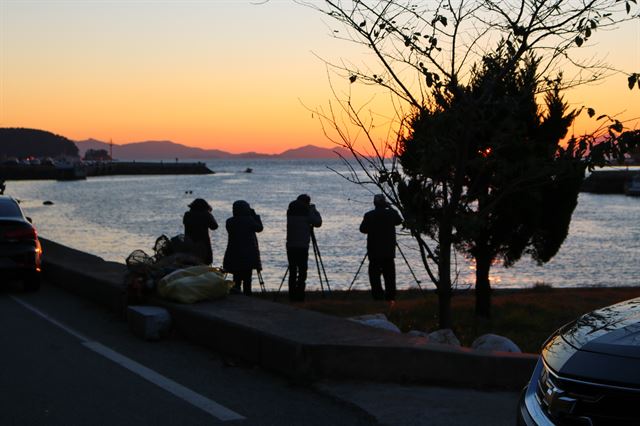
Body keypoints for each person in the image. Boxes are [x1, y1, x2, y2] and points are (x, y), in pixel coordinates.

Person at [359, 194, 403, 301]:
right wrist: (391, 207)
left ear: (374, 203)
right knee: (390, 276)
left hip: (374, 251)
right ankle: (390, 296)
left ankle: (378, 296)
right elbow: (399, 220)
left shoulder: (369, 215)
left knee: (374, 276)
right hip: (388, 251)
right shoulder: (391, 214)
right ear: (385, 203)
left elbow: (363, 229)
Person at [286, 194, 322, 302]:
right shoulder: (307, 213)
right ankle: (300, 296)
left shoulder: (290, 211)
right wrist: (314, 210)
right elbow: (318, 223)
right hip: (302, 246)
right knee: (302, 272)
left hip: (291, 245)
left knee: (292, 271)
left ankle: (292, 296)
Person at [223, 200, 263, 295]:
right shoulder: (249, 220)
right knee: (247, 279)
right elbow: (260, 228)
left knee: (236, 278)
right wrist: (255, 216)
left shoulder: (229, 221)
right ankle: (247, 298)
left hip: (234, 253)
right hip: (248, 254)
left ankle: (236, 297)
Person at [183, 198, 218, 265]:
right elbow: (214, 226)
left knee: (190, 264)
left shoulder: (187, 215)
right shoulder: (205, 215)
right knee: (205, 263)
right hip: (203, 244)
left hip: (189, 243)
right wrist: (209, 214)